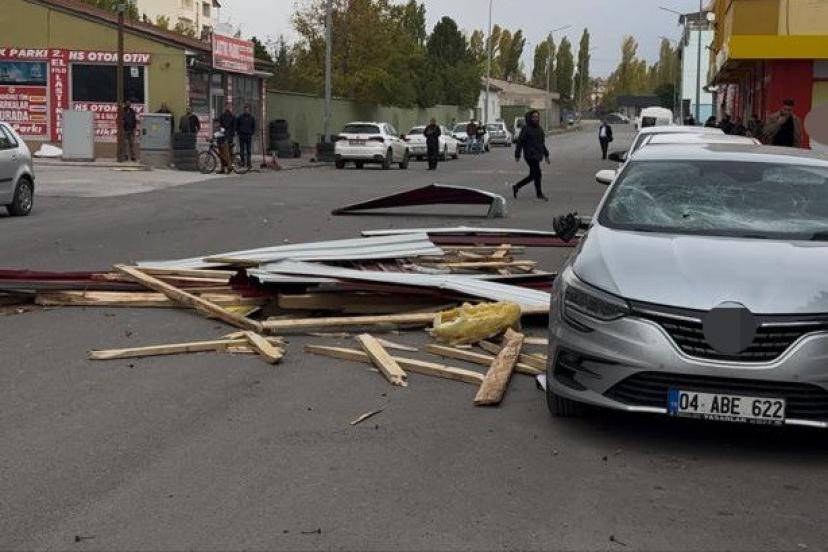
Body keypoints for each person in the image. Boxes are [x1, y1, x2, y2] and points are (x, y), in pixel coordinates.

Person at [512, 110, 550, 201]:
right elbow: (520, 142)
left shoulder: (539, 129)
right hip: (530, 155)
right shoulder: (526, 129)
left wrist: (546, 154)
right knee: (537, 174)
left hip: (537, 155)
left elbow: (541, 143)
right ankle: (539, 194)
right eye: (533, 117)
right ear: (530, 118)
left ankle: (517, 186)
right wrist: (517, 154)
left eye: (537, 117)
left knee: (534, 175)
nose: (535, 118)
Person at [236, 104, 256, 169]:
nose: (246, 111)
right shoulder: (240, 117)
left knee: (248, 150)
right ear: (244, 110)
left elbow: (253, 126)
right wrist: (239, 132)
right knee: (242, 150)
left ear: (249, 110)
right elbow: (237, 125)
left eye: (248, 110)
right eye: (245, 110)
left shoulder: (252, 118)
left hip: (248, 136)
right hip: (241, 136)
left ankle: (249, 163)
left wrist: (251, 133)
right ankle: (242, 162)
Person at [218, 103, 236, 173]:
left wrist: (231, 136)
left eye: (229, 106)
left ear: (230, 107)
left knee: (227, 153)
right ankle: (222, 168)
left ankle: (229, 167)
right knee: (220, 153)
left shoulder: (233, 116)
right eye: (227, 106)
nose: (228, 107)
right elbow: (220, 126)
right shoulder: (222, 116)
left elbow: (234, 128)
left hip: (229, 137)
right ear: (225, 107)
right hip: (222, 136)